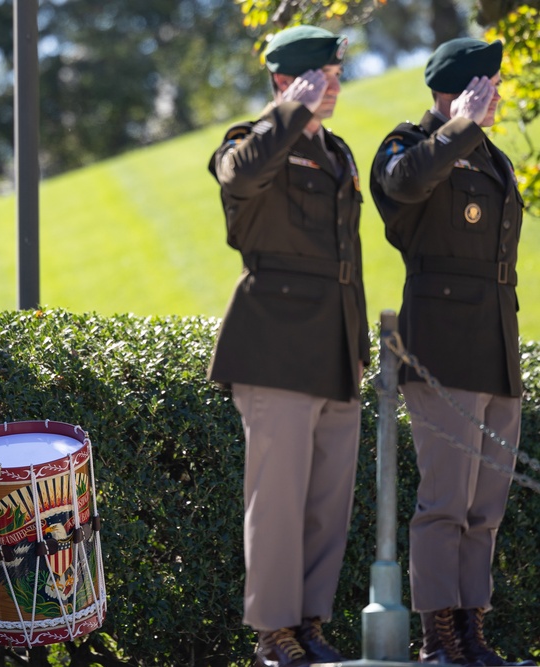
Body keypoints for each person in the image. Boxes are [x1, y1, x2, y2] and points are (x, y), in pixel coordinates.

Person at [206, 25, 369, 667]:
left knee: (327, 501)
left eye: (333, 75)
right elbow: (239, 181)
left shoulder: (339, 153)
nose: (333, 85)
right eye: (320, 76)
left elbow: (347, 260)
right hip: (273, 347)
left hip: (334, 350)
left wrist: (356, 344)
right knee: (275, 502)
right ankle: (273, 633)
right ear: (285, 81)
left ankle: (308, 625)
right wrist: (288, 113)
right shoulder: (249, 141)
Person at [370, 38, 536, 666]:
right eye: (487, 85)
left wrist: (470, 131)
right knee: (445, 504)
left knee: (485, 506)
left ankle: (470, 635)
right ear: (459, 89)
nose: (497, 94)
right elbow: (402, 189)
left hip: (494, 346)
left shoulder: (489, 155)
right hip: (442, 347)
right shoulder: (409, 143)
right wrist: (459, 125)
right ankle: (437, 638)